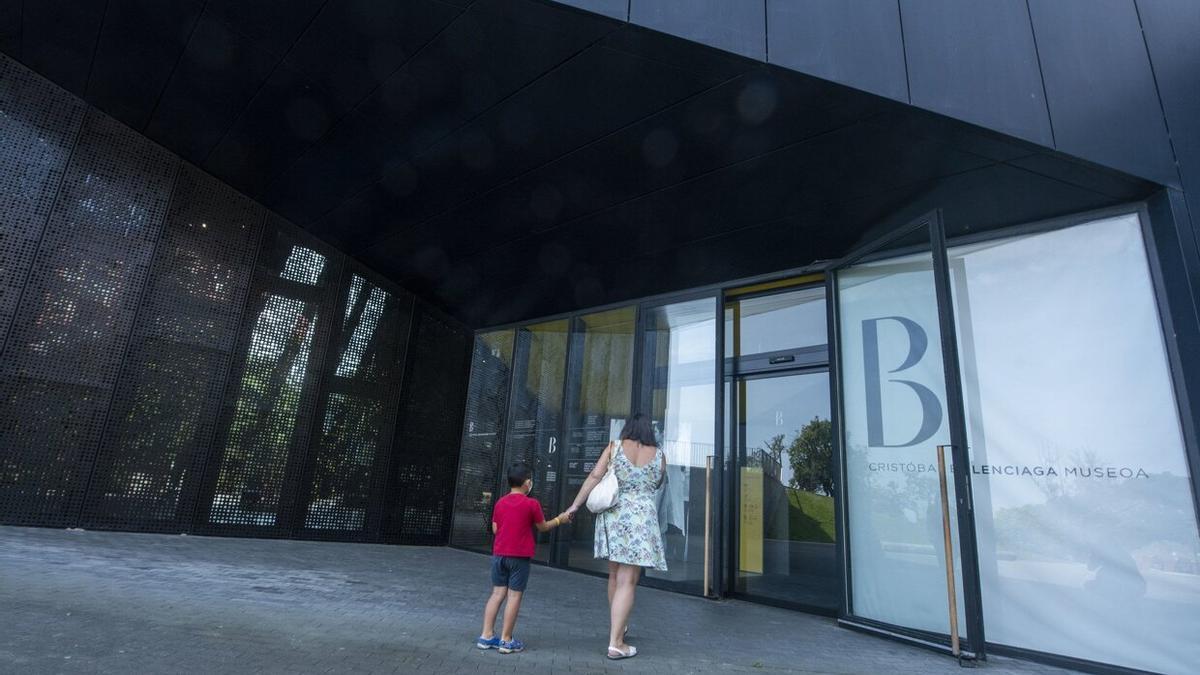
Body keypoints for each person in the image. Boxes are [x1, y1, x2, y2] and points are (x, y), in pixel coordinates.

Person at [565, 413, 667, 660]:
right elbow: (657, 484)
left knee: (614, 575)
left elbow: (594, 477)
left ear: (628, 429)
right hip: (641, 520)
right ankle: (616, 642)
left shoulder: (614, 447)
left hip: (614, 516)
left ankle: (618, 627)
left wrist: (574, 506)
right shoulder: (660, 455)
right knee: (628, 581)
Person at [476, 463, 572, 654]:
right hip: (519, 558)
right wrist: (561, 519)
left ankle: (486, 636)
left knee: (496, 594)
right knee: (514, 596)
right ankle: (506, 639)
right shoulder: (531, 504)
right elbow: (543, 527)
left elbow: (495, 529)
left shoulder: (500, 502)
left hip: (499, 555)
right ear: (528, 482)